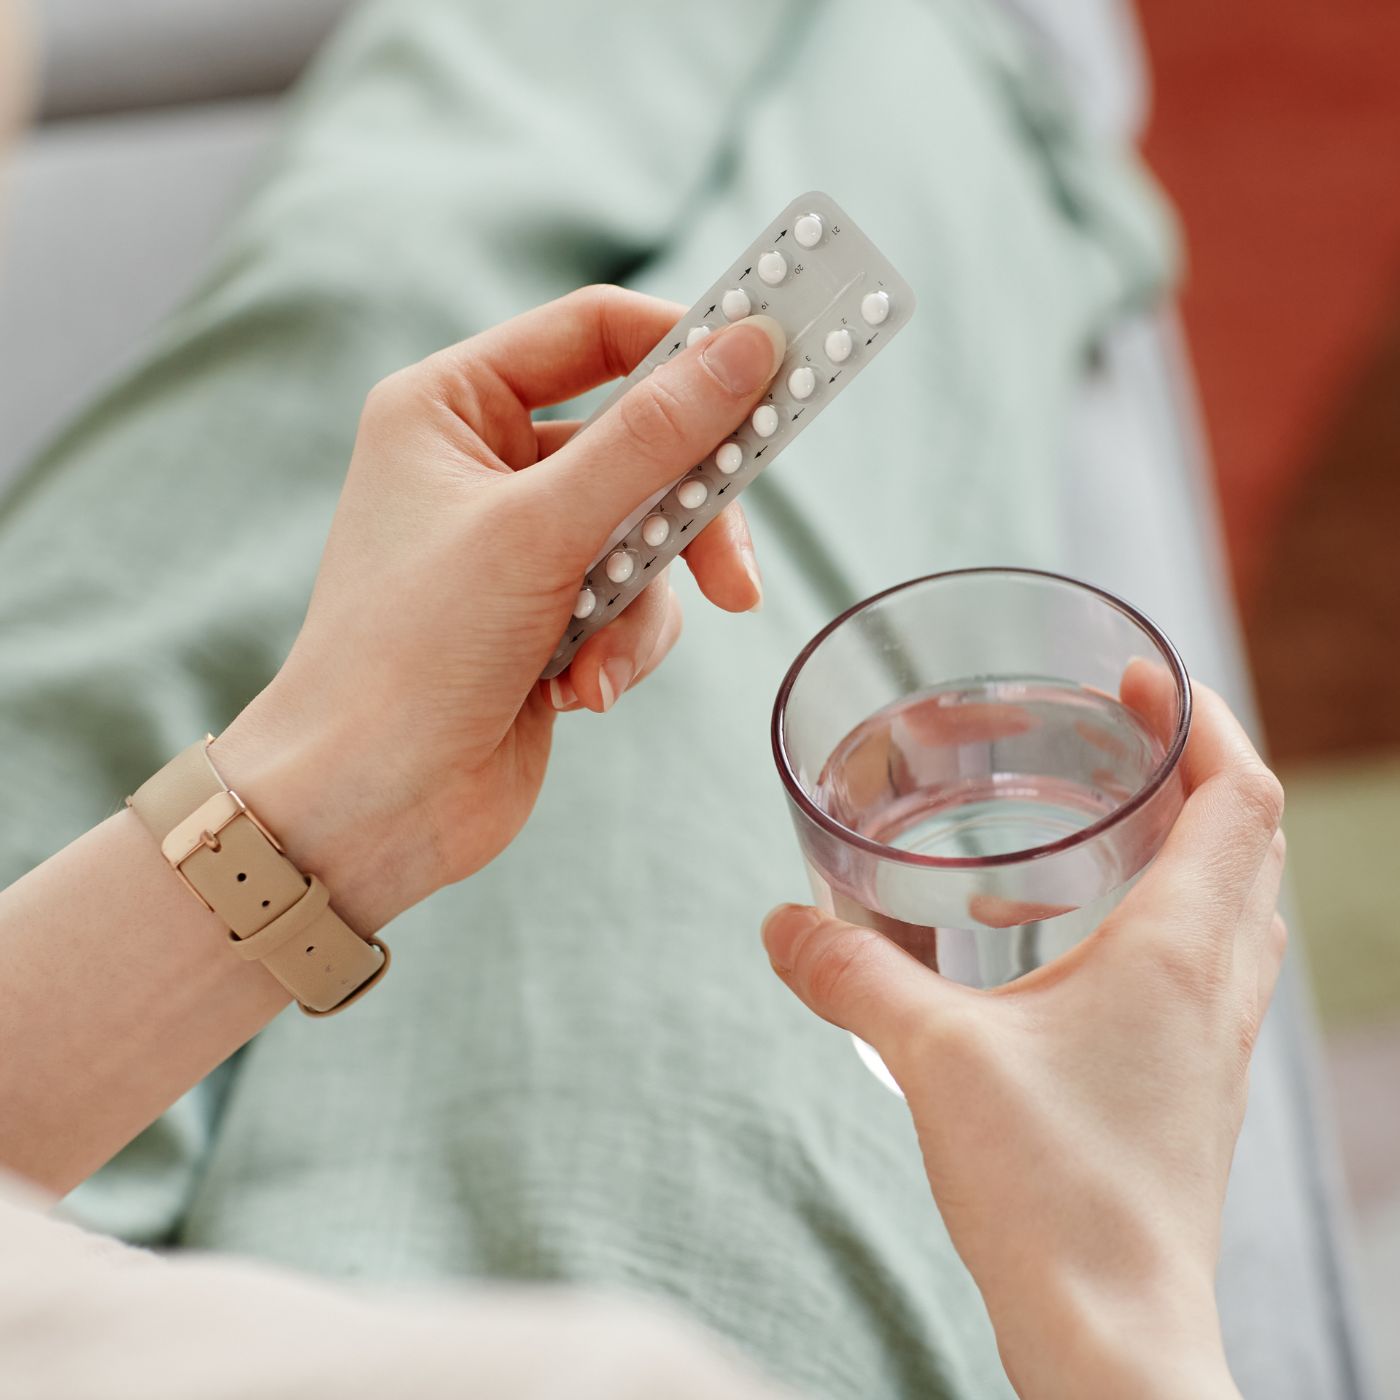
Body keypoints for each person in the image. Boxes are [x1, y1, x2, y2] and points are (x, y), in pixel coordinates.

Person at [0, 2, 1302, 1397]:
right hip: (614, 1252)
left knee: (370, 294)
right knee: (870, 163)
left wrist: (321, 798)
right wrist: (1121, 1296)